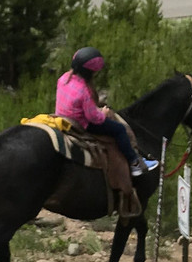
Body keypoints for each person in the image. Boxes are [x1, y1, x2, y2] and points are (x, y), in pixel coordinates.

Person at [55, 47, 158, 177]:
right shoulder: (83, 91)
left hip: (63, 117)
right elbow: (94, 118)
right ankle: (134, 164)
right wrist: (103, 113)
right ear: (90, 72)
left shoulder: (64, 78)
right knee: (119, 129)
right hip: (81, 124)